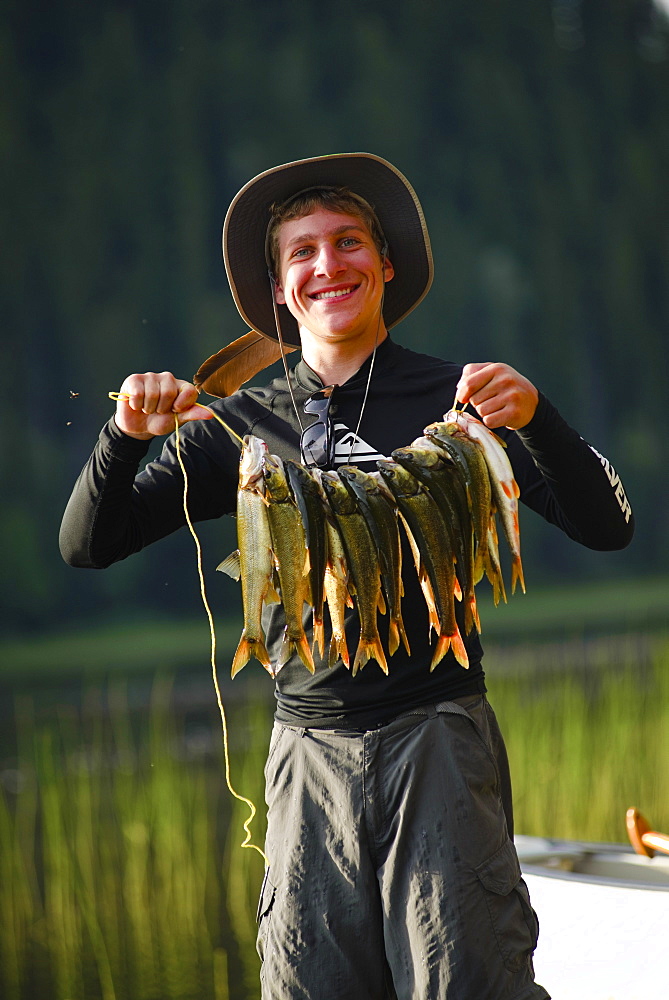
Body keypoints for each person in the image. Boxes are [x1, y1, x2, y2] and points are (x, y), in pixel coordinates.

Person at [60, 153, 633, 1000]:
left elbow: (606, 526)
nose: (328, 265)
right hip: (306, 752)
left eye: (349, 242)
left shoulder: (458, 398)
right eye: (302, 253)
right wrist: (123, 437)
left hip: (439, 734)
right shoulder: (239, 426)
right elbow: (87, 544)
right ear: (280, 289)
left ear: (386, 266)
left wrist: (538, 417)